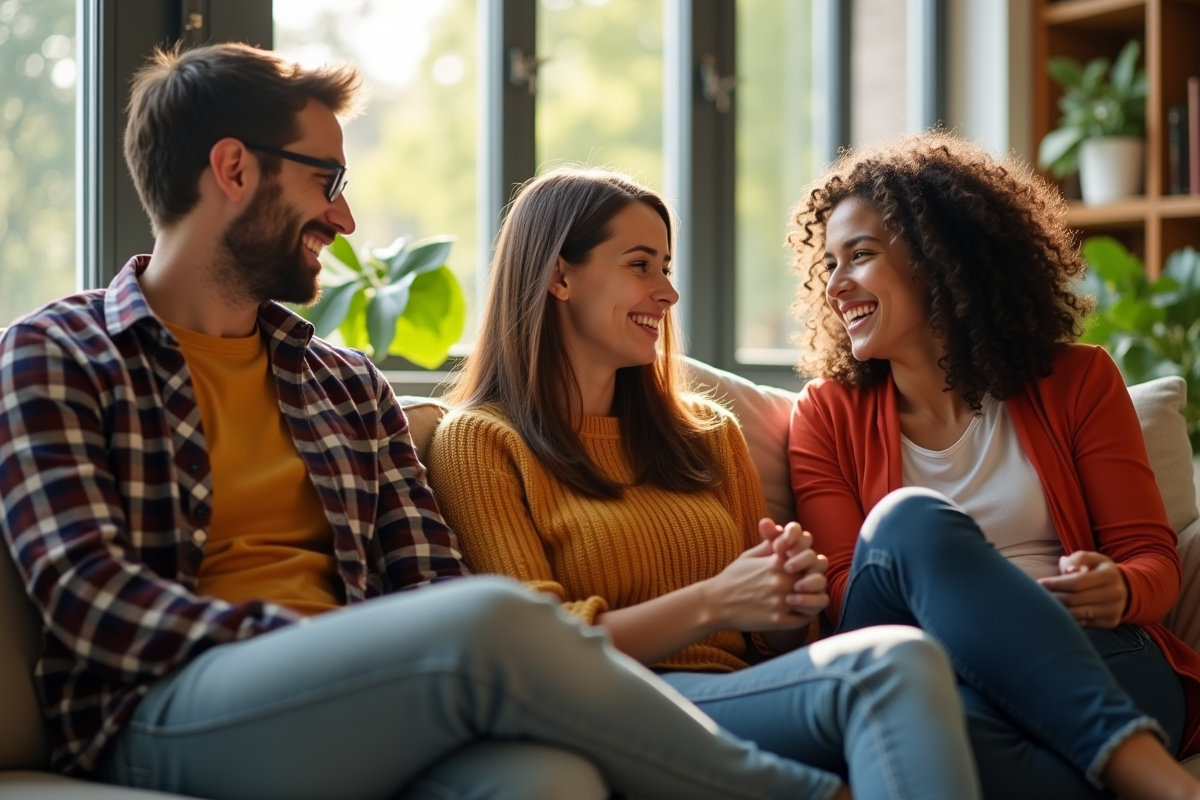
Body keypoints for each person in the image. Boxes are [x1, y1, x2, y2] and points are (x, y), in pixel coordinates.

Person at [0, 42, 876, 800]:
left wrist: (367, 654)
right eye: (326, 179)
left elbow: (425, 584)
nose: (343, 217)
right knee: (492, 619)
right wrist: (338, 645)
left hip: (354, 702)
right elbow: (89, 597)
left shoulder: (343, 387)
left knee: (549, 780)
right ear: (233, 169)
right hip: (161, 710)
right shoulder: (60, 354)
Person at [427, 165, 983, 800]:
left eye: (666, 267)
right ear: (559, 276)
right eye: (641, 265)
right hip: (621, 707)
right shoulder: (481, 442)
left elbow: (771, 645)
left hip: (739, 698)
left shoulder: (708, 434)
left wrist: (786, 599)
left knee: (906, 658)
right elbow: (534, 655)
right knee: (891, 664)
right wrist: (716, 600)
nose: (668, 293)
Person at [787, 130, 1200, 800]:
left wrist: (1119, 588)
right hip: (933, 666)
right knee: (909, 524)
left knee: (956, 739)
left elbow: (1151, 555)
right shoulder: (827, 416)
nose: (835, 285)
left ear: (940, 256)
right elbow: (845, 592)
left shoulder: (1079, 381)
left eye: (858, 257)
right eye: (828, 264)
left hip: (1093, 651)